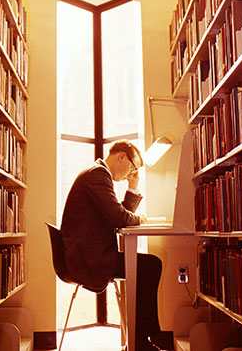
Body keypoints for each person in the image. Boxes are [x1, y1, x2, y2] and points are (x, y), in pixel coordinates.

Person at [60, 140, 170, 351]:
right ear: (121, 157)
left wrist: (133, 188)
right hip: (88, 259)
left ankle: (140, 340)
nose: (131, 173)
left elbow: (116, 213)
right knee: (150, 266)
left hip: (91, 253)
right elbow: (118, 217)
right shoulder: (98, 175)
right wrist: (141, 220)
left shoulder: (98, 173)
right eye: (132, 167)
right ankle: (141, 341)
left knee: (147, 265)